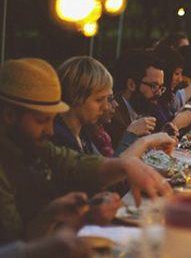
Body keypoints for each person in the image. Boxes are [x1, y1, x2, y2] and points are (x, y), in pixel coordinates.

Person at [0, 58, 172, 244]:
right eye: (42, 121)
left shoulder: (29, 144)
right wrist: (65, 217)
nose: (50, 131)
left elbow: (74, 164)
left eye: (52, 119)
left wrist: (125, 165)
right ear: (9, 115)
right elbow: (12, 248)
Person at [106, 51, 191, 148]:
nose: (159, 93)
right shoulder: (114, 115)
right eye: (154, 86)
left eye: (160, 87)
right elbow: (124, 157)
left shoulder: (139, 106)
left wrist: (162, 134)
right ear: (131, 85)